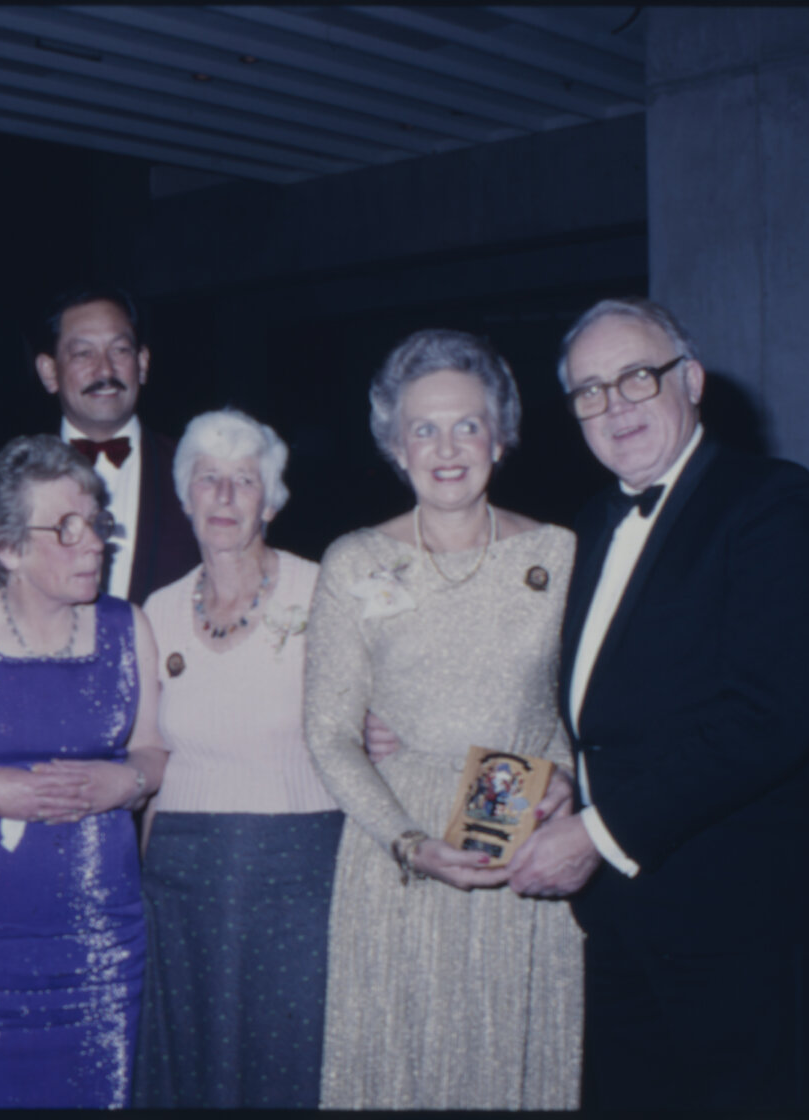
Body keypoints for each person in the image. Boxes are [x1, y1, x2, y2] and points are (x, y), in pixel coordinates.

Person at [506, 297, 809, 1109]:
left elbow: (767, 716)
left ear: (690, 381)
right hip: (617, 921)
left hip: (735, 922)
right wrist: (569, 781)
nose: (614, 406)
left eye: (636, 377)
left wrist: (598, 831)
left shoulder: (772, 501)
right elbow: (610, 709)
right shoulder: (591, 522)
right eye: (590, 390)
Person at [302, 329, 583, 1109]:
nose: (448, 448)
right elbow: (328, 732)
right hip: (396, 849)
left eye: (467, 424)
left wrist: (568, 778)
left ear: (501, 435)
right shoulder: (355, 560)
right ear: (396, 447)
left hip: (520, 836)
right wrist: (408, 841)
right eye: (424, 428)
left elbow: (585, 707)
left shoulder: (560, 554)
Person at [0, 434, 167, 1109]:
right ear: (8, 548)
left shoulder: (128, 626)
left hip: (101, 935)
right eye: (67, 528)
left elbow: (151, 751)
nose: (94, 544)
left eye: (96, 524)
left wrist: (125, 782)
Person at [133, 409, 342, 1109]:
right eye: (207, 478)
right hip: (179, 877)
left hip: (298, 871)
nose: (224, 496)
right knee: (190, 1062)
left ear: (271, 501)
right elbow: (153, 758)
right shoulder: (156, 610)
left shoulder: (325, 591)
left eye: (244, 481)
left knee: (289, 1060)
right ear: (184, 495)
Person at [0, 285, 196, 603]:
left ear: (142, 363)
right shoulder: (7, 486)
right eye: (83, 353)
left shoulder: (197, 473)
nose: (105, 370)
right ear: (49, 372)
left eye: (120, 350)